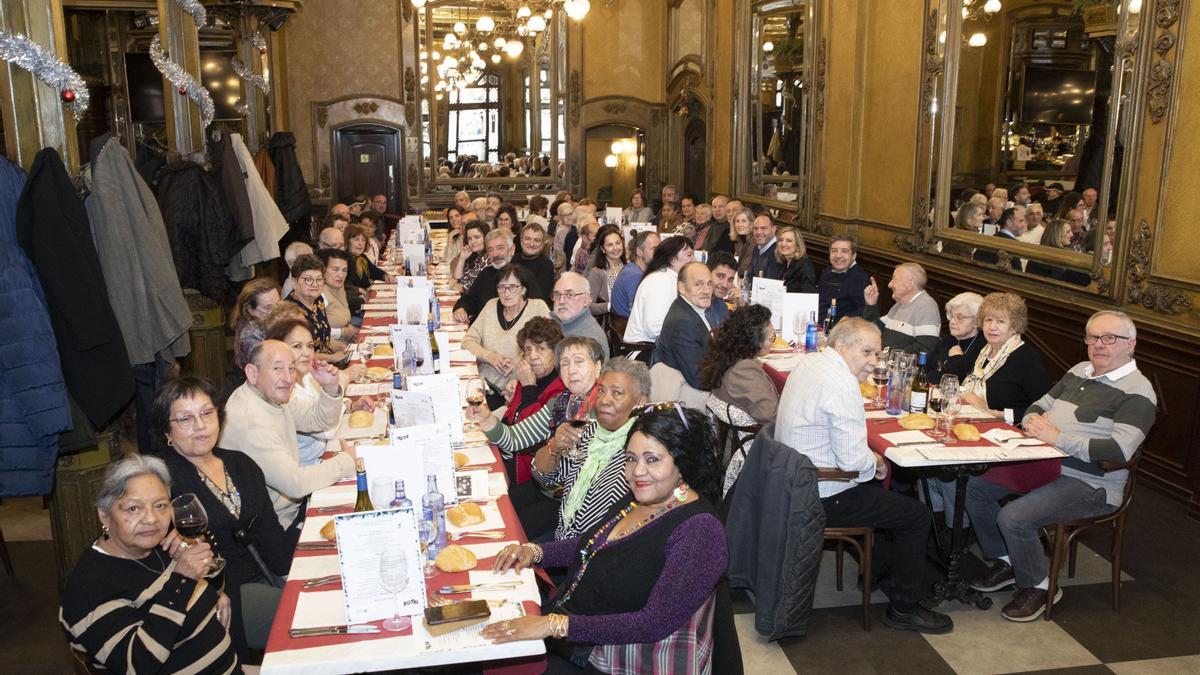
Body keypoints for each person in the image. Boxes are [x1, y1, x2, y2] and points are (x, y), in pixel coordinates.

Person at [482, 405, 727, 675]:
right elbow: (593, 544)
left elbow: (653, 623)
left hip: (620, 660)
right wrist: (535, 551)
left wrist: (554, 625)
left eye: (652, 459)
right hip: (578, 635)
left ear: (682, 463)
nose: (637, 472)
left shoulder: (700, 532)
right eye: (631, 459)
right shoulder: (640, 499)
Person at [966, 311, 1156, 622]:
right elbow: (1039, 404)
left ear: (1131, 344)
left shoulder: (1138, 391)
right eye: (1093, 337)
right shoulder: (1080, 370)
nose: (1099, 345)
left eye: (1110, 338)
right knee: (974, 488)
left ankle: (1041, 586)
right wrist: (1031, 420)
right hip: (1043, 463)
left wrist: (1058, 437)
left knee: (1012, 516)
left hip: (1092, 482)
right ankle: (1009, 561)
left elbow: (1119, 450)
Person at [776, 318, 953, 634]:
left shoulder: (811, 362)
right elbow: (854, 463)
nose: (874, 362)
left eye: (877, 354)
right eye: (867, 352)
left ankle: (878, 572)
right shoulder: (842, 384)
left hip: (792, 480)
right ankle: (904, 608)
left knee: (894, 501)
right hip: (823, 493)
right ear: (842, 346)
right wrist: (879, 464)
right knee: (916, 514)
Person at [61, 455, 239, 673]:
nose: (151, 519)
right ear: (105, 516)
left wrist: (212, 584)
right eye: (133, 508)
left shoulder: (161, 547)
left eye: (160, 505)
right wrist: (182, 581)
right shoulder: (88, 588)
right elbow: (138, 664)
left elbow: (212, 590)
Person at [153, 377, 290, 657]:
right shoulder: (160, 483)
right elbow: (158, 559)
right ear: (167, 431)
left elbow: (272, 536)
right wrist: (209, 590)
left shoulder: (240, 464)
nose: (200, 425)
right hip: (220, 593)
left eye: (206, 413)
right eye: (185, 419)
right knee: (306, 615)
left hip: (263, 572)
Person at [476, 355, 651, 541]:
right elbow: (544, 475)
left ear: (640, 401)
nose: (604, 400)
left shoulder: (640, 453)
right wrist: (555, 447)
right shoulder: (590, 431)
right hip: (565, 536)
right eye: (601, 390)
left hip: (592, 550)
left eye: (617, 393)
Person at [220, 339, 356, 530]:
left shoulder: (269, 394)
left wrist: (330, 388)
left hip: (291, 506)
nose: (288, 378)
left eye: (291, 368)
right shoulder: (251, 422)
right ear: (252, 373)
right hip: (277, 526)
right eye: (277, 369)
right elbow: (296, 483)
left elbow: (317, 420)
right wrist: (347, 461)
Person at [263, 308, 347, 466]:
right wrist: (338, 403)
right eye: (297, 346)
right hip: (307, 470)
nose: (307, 353)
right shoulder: (282, 390)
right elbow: (327, 429)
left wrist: (348, 404)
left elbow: (325, 410)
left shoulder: (308, 376)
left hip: (324, 454)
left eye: (309, 346)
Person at [462, 265, 552, 407]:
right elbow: (467, 341)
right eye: (501, 287)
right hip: (483, 385)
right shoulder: (491, 306)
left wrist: (519, 360)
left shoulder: (537, 308)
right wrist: (489, 356)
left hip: (513, 390)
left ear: (523, 289)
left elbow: (549, 349)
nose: (506, 293)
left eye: (512, 287)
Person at [959, 292, 1051, 425]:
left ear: (1014, 327)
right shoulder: (982, 349)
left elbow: (1042, 409)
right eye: (988, 320)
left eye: (1000, 321)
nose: (992, 327)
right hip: (970, 419)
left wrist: (996, 414)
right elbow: (955, 377)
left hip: (1006, 429)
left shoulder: (1026, 359)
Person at [701, 304, 780, 424]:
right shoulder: (743, 370)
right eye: (771, 338)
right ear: (756, 342)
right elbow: (771, 415)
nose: (772, 342)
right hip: (759, 439)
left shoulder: (729, 355)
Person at [655, 262, 718, 398]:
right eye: (698, 284)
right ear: (681, 287)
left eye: (709, 284)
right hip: (691, 398)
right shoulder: (683, 323)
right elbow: (699, 378)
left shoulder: (687, 308)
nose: (707, 291)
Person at [624, 236, 694, 345]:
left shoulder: (671, 278)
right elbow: (654, 328)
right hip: (645, 349)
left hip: (660, 344)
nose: (694, 260)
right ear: (673, 260)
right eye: (689, 255)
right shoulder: (659, 281)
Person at [862, 262, 941, 354]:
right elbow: (873, 331)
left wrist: (887, 354)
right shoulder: (899, 305)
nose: (889, 284)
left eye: (894, 279)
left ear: (909, 283)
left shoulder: (926, 307)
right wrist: (871, 304)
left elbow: (924, 350)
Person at [284, 254, 346, 363]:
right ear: (294, 282)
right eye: (308, 279)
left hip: (326, 364)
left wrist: (341, 346)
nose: (315, 284)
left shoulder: (318, 300)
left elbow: (323, 337)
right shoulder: (290, 311)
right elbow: (297, 355)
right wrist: (332, 358)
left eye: (319, 279)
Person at [453, 229, 516, 324]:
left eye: (500, 248)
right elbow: (470, 298)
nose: (495, 254)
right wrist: (461, 308)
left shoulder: (523, 276)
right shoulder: (487, 272)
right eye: (490, 250)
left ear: (512, 249)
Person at [925, 291, 985, 383]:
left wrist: (956, 357)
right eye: (951, 316)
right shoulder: (948, 339)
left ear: (977, 321)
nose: (952, 322)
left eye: (960, 317)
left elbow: (959, 379)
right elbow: (926, 368)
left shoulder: (981, 346)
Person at [552, 272, 611, 359]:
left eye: (569, 295)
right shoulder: (550, 322)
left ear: (586, 300)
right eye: (557, 295)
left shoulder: (591, 339)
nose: (561, 301)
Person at [817, 234, 871, 321]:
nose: (838, 255)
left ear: (853, 256)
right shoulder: (826, 272)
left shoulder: (859, 279)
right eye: (834, 251)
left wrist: (844, 320)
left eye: (844, 251)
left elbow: (866, 311)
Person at [609, 230, 659, 319]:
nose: (659, 253)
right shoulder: (635, 276)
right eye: (654, 249)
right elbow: (641, 313)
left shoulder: (631, 268)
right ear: (639, 251)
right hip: (627, 327)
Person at [319, 249, 361, 344]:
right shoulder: (320, 294)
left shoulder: (339, 286)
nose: (341, 275)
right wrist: (342, 333)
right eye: (335, 269)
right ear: (323, 270)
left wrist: (350, 328)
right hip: (333, 350)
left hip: (348, 342)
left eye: (344, 270)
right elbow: (317, 332)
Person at [586, 224, 626, 316]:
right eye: (610, 245)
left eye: (618, 243)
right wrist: (610, 306)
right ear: (603, 249)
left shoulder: (628, 268)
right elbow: (588, 306)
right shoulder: (597, 272)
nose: (615, 248)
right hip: (611, 324)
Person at [514, 221, 555, 304]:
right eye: (527, 239)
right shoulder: (513, 260)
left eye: (536, 240)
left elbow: (540, 297)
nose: (532, 244)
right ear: (521, 241)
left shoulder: (546, 265)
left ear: (543, 244)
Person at [345, 223, 393, 289]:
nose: (360, 243)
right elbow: (346, 286)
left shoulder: (362, 257)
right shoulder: (345, 260)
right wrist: (358, 291)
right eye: (356, 239)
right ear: (347, 241)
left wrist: (384, 275)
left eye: (363, 240)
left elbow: (373, 270)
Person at [775, 226, 817, 293]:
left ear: (797, 245)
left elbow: (809, 295)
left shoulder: (804, 265)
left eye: (789, 241)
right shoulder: (783, 262)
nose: (783, 244)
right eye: (781, 240)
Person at [455, 220, 491, 295]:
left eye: (477, 237)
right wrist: (462, 258)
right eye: (469, 238)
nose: (473, 241)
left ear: (486, 237)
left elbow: (470, 288)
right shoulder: (476, 256)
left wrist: (457, 286)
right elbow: (459, 279)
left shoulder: (489, 258)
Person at [747, 213, 781, 280]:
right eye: (756, 228)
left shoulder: (778, 252)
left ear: (773, 229)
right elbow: (751, 276)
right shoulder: (757, 248)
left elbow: (770, 284)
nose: (758, 232)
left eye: (763, 228)